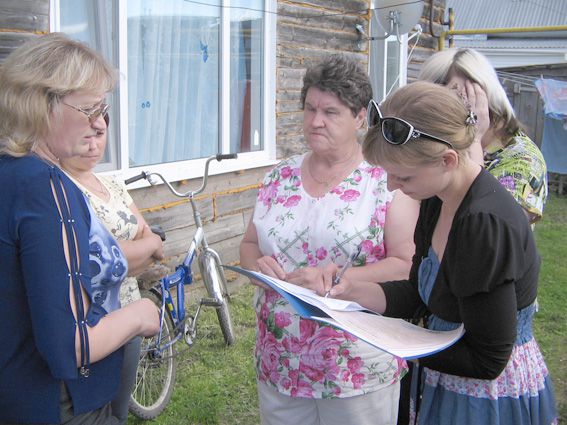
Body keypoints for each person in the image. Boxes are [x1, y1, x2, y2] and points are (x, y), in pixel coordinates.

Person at [326, 80, 558, 425]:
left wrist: (389, 344)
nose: (391, 186)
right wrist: (353, 292)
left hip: (485, 400)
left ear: (448, 160)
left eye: (403, 177)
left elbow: (487, 360)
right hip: (444, 378)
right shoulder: (437, 199)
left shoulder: (484, 225)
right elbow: (421, 294)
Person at [239, 54, 419, 425]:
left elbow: (405, 264)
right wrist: (257, 266)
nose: (315, 121)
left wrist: (338, 278)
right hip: (280, 361)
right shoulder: (279, 177)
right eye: (310, 109)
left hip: (355, 367)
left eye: (330, 112)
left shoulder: (384, 182)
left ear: (360, 118)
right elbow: (249, 245)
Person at [0, 33, 160, 424]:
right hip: (59, 401)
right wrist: (140, 314)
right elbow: (69, 346)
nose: (98, 123)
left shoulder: (10, 172)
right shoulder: (46, 186)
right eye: (89, 109)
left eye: (102, 109)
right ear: (41, 106)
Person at [60, 120, 164, 424]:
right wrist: (143, 248)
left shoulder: (113, 184)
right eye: (85, 135)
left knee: (118, 409)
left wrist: (135, 249)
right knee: (93, 407)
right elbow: (93, 262)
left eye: (100, 134)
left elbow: (149, 240)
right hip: (94, 323)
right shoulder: (63, 188)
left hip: (129, 311)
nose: (93, 145)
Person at [419, 48, 548, 224]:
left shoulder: (523, 160)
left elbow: (488, 227)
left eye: (455, 99)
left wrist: (473, 138)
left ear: (483, 96)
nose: (438, 115)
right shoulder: (444, 141)